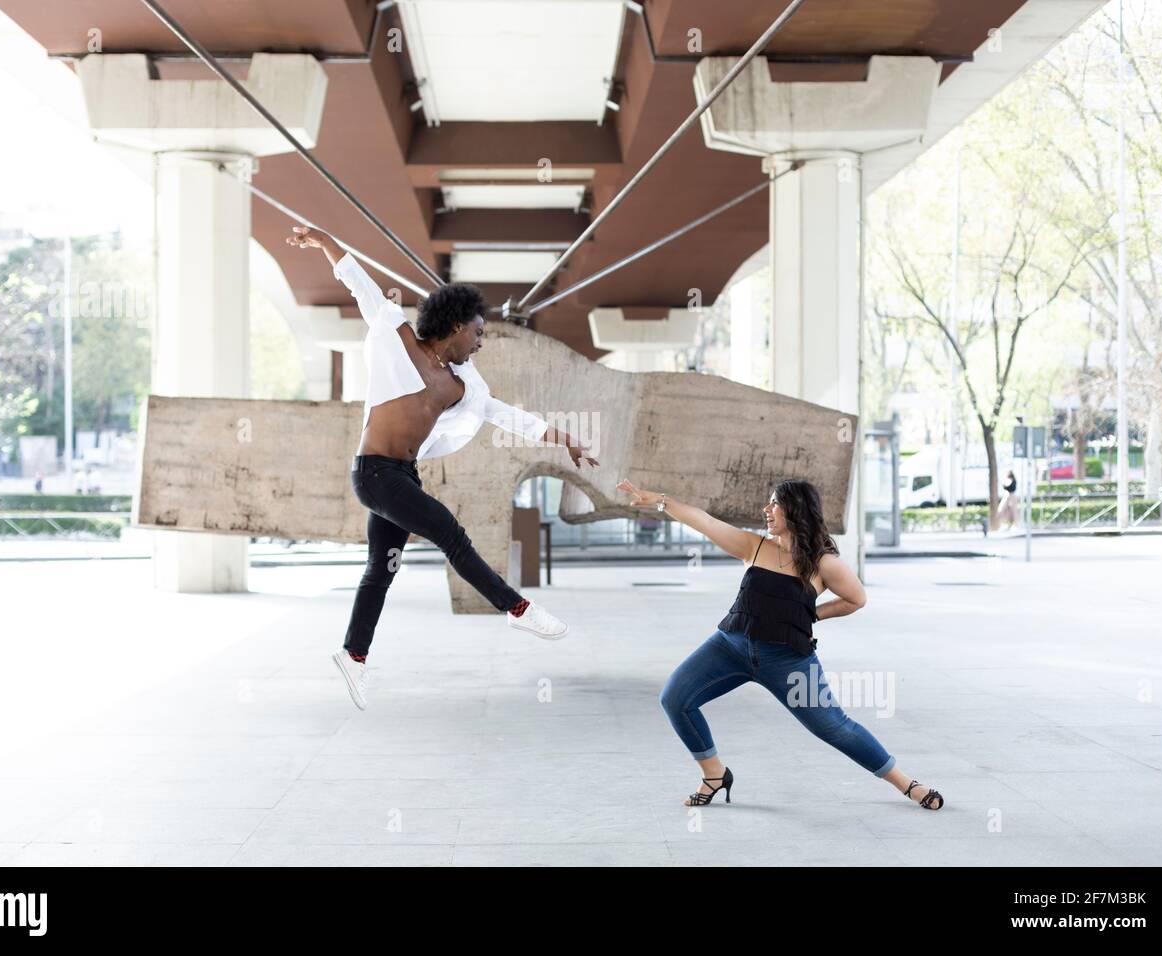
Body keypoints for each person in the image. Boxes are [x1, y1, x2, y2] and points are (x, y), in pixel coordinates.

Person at [287, 225, 598, 710]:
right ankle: (516, 607)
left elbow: (507, 416)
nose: (480, 343)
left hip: (401, 475)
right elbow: (360, 284)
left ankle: (353, 654)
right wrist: (326, 241)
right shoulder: (397, 338)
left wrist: (566, 440)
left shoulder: (463, 384)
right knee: (451, 534)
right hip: (374, 472)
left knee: (380, 569)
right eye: (478, 332)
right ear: (455, 326)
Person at [617, 477, 944, 811]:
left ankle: (907, 784)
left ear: (795, 509)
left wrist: (810, 615)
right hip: (730, 646)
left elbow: (855, 599)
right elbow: (705, 521)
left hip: (787, 661)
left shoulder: (823, 563)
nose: (766, 509)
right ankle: (714, 774)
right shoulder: (754, 546)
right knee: (675, 698)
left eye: (774, 503)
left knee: (835, 728)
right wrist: (659, 499)